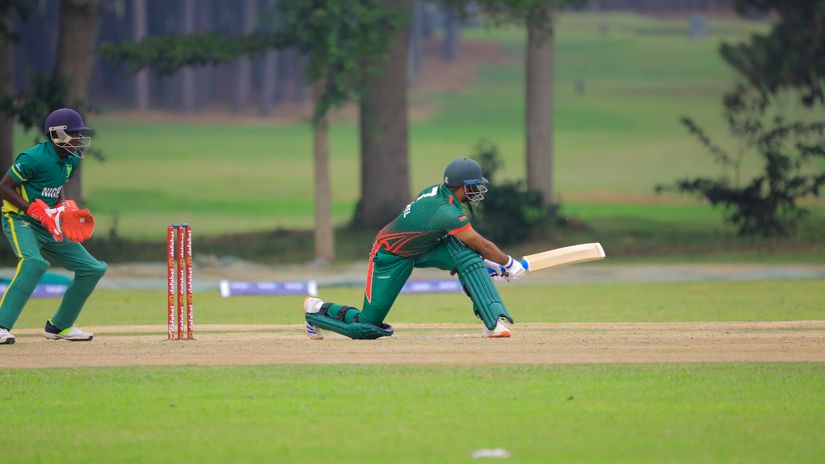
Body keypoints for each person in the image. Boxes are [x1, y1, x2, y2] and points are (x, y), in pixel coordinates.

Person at [303, 157, 524, 340]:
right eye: (474, 185)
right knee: (367, 325)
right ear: (464, 186)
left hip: (424, 247)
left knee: (466, 256)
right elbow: (482, 244)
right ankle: (316, 311)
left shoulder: (438, 192)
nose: (477, 190)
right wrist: (508, 264)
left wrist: (485, 264)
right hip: (390, 255)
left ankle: (493, 322)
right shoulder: (445, 212)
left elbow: (469, 246)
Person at [0, 108, 107, 345]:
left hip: (49, 223)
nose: (79, 139)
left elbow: (56, 185)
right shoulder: (32, 158)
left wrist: (63, 209)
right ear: (57, 134)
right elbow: (4, 188)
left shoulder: (70, 160)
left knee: (93, 268)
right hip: (20, 219)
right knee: (34, 262)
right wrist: (31, 209)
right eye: (75, 134)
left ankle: (59, 325)